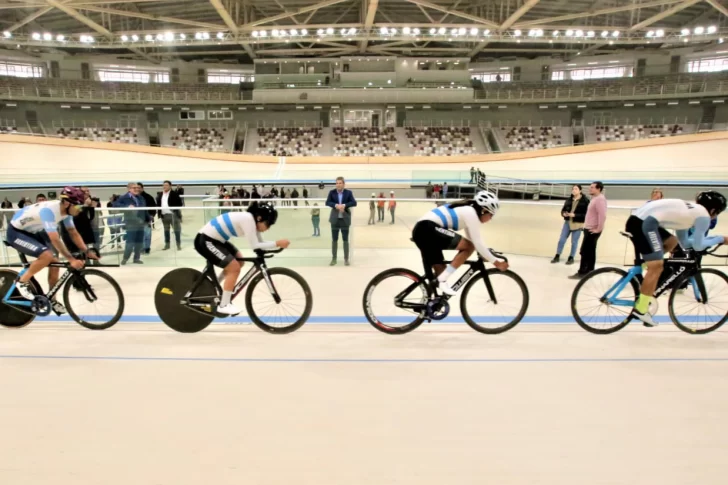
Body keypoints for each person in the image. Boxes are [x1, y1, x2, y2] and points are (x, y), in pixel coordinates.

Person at [624, 191, 727, 327]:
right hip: (645, 224)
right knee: (657, 266)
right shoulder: (704, 216)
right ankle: (641, 309)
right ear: (714, 210)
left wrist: (713, 239)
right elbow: (698, 246)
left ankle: (644, 267)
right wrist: (720, 239)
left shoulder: (691, 213)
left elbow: (684, 242)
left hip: (640, 220)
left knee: (672, 242)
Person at [4, 186, 97, 314]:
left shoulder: (66, 212)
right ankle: (22, 282)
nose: (79, 209)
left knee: (55, 262)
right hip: (16, 233)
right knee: (47, 255)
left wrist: (86, 250)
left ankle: (52, 299)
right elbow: (55, 239)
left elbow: (73, 232)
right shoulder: (48, 211)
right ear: (66, 203)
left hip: (32, 232)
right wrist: (71, 259)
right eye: (77, 206)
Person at [194, 201, 289, 315]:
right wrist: (277, 243)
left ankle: (213, 285)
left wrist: (275, 244)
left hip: (216, 240)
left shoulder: (252, 221)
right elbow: (255, 245)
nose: (267, 228)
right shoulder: (248, 220)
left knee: (239, 261)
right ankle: (224, 305)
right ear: (259, 218)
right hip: (205, 240)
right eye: (268, 224)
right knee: (234, 268)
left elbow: (260, 243)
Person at [411, 190, 508, 296]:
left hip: (424, 230)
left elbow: (474, 240)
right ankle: (442, 281)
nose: (490, 219)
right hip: (426, 229)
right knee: (468, 247)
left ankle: (429, 304)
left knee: (441, 271)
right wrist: (497, 263)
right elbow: (477, 243)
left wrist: (485, 254)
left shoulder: (469, 212)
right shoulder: (471, 213)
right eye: (491, 215)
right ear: (484, 210)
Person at [570, 181, 607, 279]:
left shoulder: (600, 199)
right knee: (590, 251)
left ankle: (582, 272)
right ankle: (590, 271)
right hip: (589, 228)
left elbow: (602, 215)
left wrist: (598, 229)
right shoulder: (595, 199)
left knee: (584, 251)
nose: (590, 189)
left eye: (592, 187)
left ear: (598, 189)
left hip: (592, 230)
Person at [551, 185, 590, 265]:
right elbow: (563, 210)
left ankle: (571, 257)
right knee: (562, 240)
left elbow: (587, 215)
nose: (574, 190)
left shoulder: (585, 201)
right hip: (567, 223)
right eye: (573, 189)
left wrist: (575, 215)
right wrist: (564, 214)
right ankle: (557, 255)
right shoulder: (569, 200)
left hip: (578, 224)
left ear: (580, 190)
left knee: (574, 242)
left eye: (576, 189)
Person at [326, 176, 357, 266]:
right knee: (334, 240)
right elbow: (327, 202)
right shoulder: (332, 193)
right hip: (335, 220)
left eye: (340, 183)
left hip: (344, 220)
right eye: (337, 183)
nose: (338, 185)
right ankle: (334, 258)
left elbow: (354, 203)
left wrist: (344, 205)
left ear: (343, 184)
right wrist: (335, 205)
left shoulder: (348, 193)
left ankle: (346, 259)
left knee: (345, 240)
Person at [156, 180, 183, 251]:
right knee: (166, 231)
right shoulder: (160, 194)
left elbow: (180, 204)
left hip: (173, 215)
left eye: (166, 185)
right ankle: (167, 244)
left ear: (170, 186)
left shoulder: (174, 194)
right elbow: (158, 204)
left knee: (177, 230)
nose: (164, 186)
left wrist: (173, 208)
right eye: (163, 185)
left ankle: (178, 244)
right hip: (164, 216)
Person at [137, 183, 157, 254]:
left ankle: (147, 248)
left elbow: (154, 207)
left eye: (139, 187)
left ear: (142, 188)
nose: (138, 189)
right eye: (137, 188)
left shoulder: (149, 197)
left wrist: (151, 216)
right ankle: (141, 248)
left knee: (147, 235)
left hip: (146, 219)